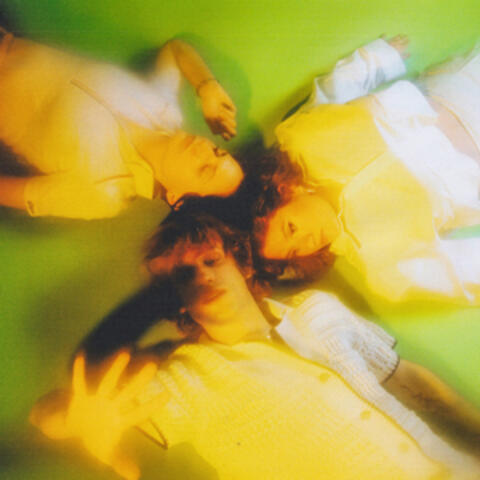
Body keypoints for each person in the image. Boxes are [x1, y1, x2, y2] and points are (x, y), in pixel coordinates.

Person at [30, 213, 480, 480]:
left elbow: (411, 382)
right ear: (175, 298)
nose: (204, 275)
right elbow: (51, 417)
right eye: (185, 275)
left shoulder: (319, 308)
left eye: (212, 260)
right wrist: (74, 417)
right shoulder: (187, 378)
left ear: (241, 264)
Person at [252, 35, 480, 303]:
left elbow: (334, 90)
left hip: (457, 85)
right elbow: (462, 272)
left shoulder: (301, 139)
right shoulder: (380, 262)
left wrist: (379, 58)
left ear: (288, 191)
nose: (307, 243)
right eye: (295, 252)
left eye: (291, 229)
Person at [0, 27, 243, 219]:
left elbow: (17, 193)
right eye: (216, 151)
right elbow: (175, 50)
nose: (203, 149)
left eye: (204, 169)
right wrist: (207, 87)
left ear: (176, 197)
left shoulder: (104, 195)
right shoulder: (167, 111)